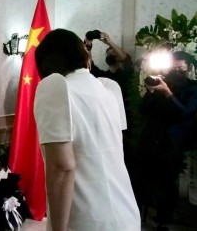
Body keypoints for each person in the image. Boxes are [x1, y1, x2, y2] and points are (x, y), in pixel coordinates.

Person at [33, 28, 140, 231]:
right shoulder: (108, 89)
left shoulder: (55, 88)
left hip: (87, 218)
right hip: (127, 212)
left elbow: (62, 168)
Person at [134, 51, 197, 231]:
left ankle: (164, 222)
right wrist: (150, 91)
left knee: (166, 184)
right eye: (174, 67)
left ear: (188, 67)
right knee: (140, 178)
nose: (177, 71)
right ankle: (136, 216)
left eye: (181, 68)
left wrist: (167, 93)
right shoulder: (162, 82)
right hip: (150, 139)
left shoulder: (193, 88)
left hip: (172, 143)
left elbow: (184, 112)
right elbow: (143, 110)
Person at [85, 32, 135, 168]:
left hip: (126, 125)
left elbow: (127, 60)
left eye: (113, 54)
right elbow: (89, 65)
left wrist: (109, 43)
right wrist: (88, 44)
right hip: (104, 122)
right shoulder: (102, 76)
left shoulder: (127, 75)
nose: (109, 55)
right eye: (107, 54)